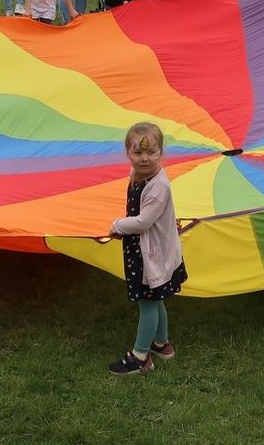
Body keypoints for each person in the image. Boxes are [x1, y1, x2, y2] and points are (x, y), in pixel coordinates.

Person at [106, 121, 187, 376]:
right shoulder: (140, 176)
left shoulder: (158, 185)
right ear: (127, 153)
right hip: (146, 246)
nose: (144, 159)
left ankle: (141, 357)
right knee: (156, 297)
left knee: (147, 302)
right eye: (138, 153)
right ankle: (161, 344)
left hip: (151, 252)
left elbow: (143, 221)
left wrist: (118, 225)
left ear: (161, 153)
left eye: (151, 152)